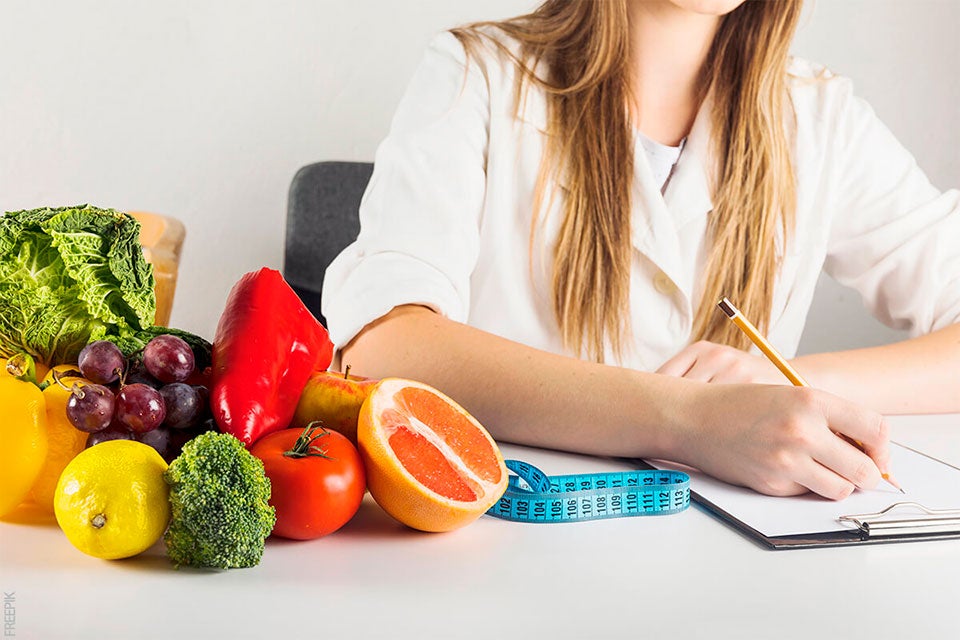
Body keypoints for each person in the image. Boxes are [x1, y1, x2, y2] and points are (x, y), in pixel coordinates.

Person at [322, 0, 960, 500]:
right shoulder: (476, 73)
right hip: (506, 544)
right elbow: (383, 344)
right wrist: (685, 419)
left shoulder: (822, 118)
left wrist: (788, 389)